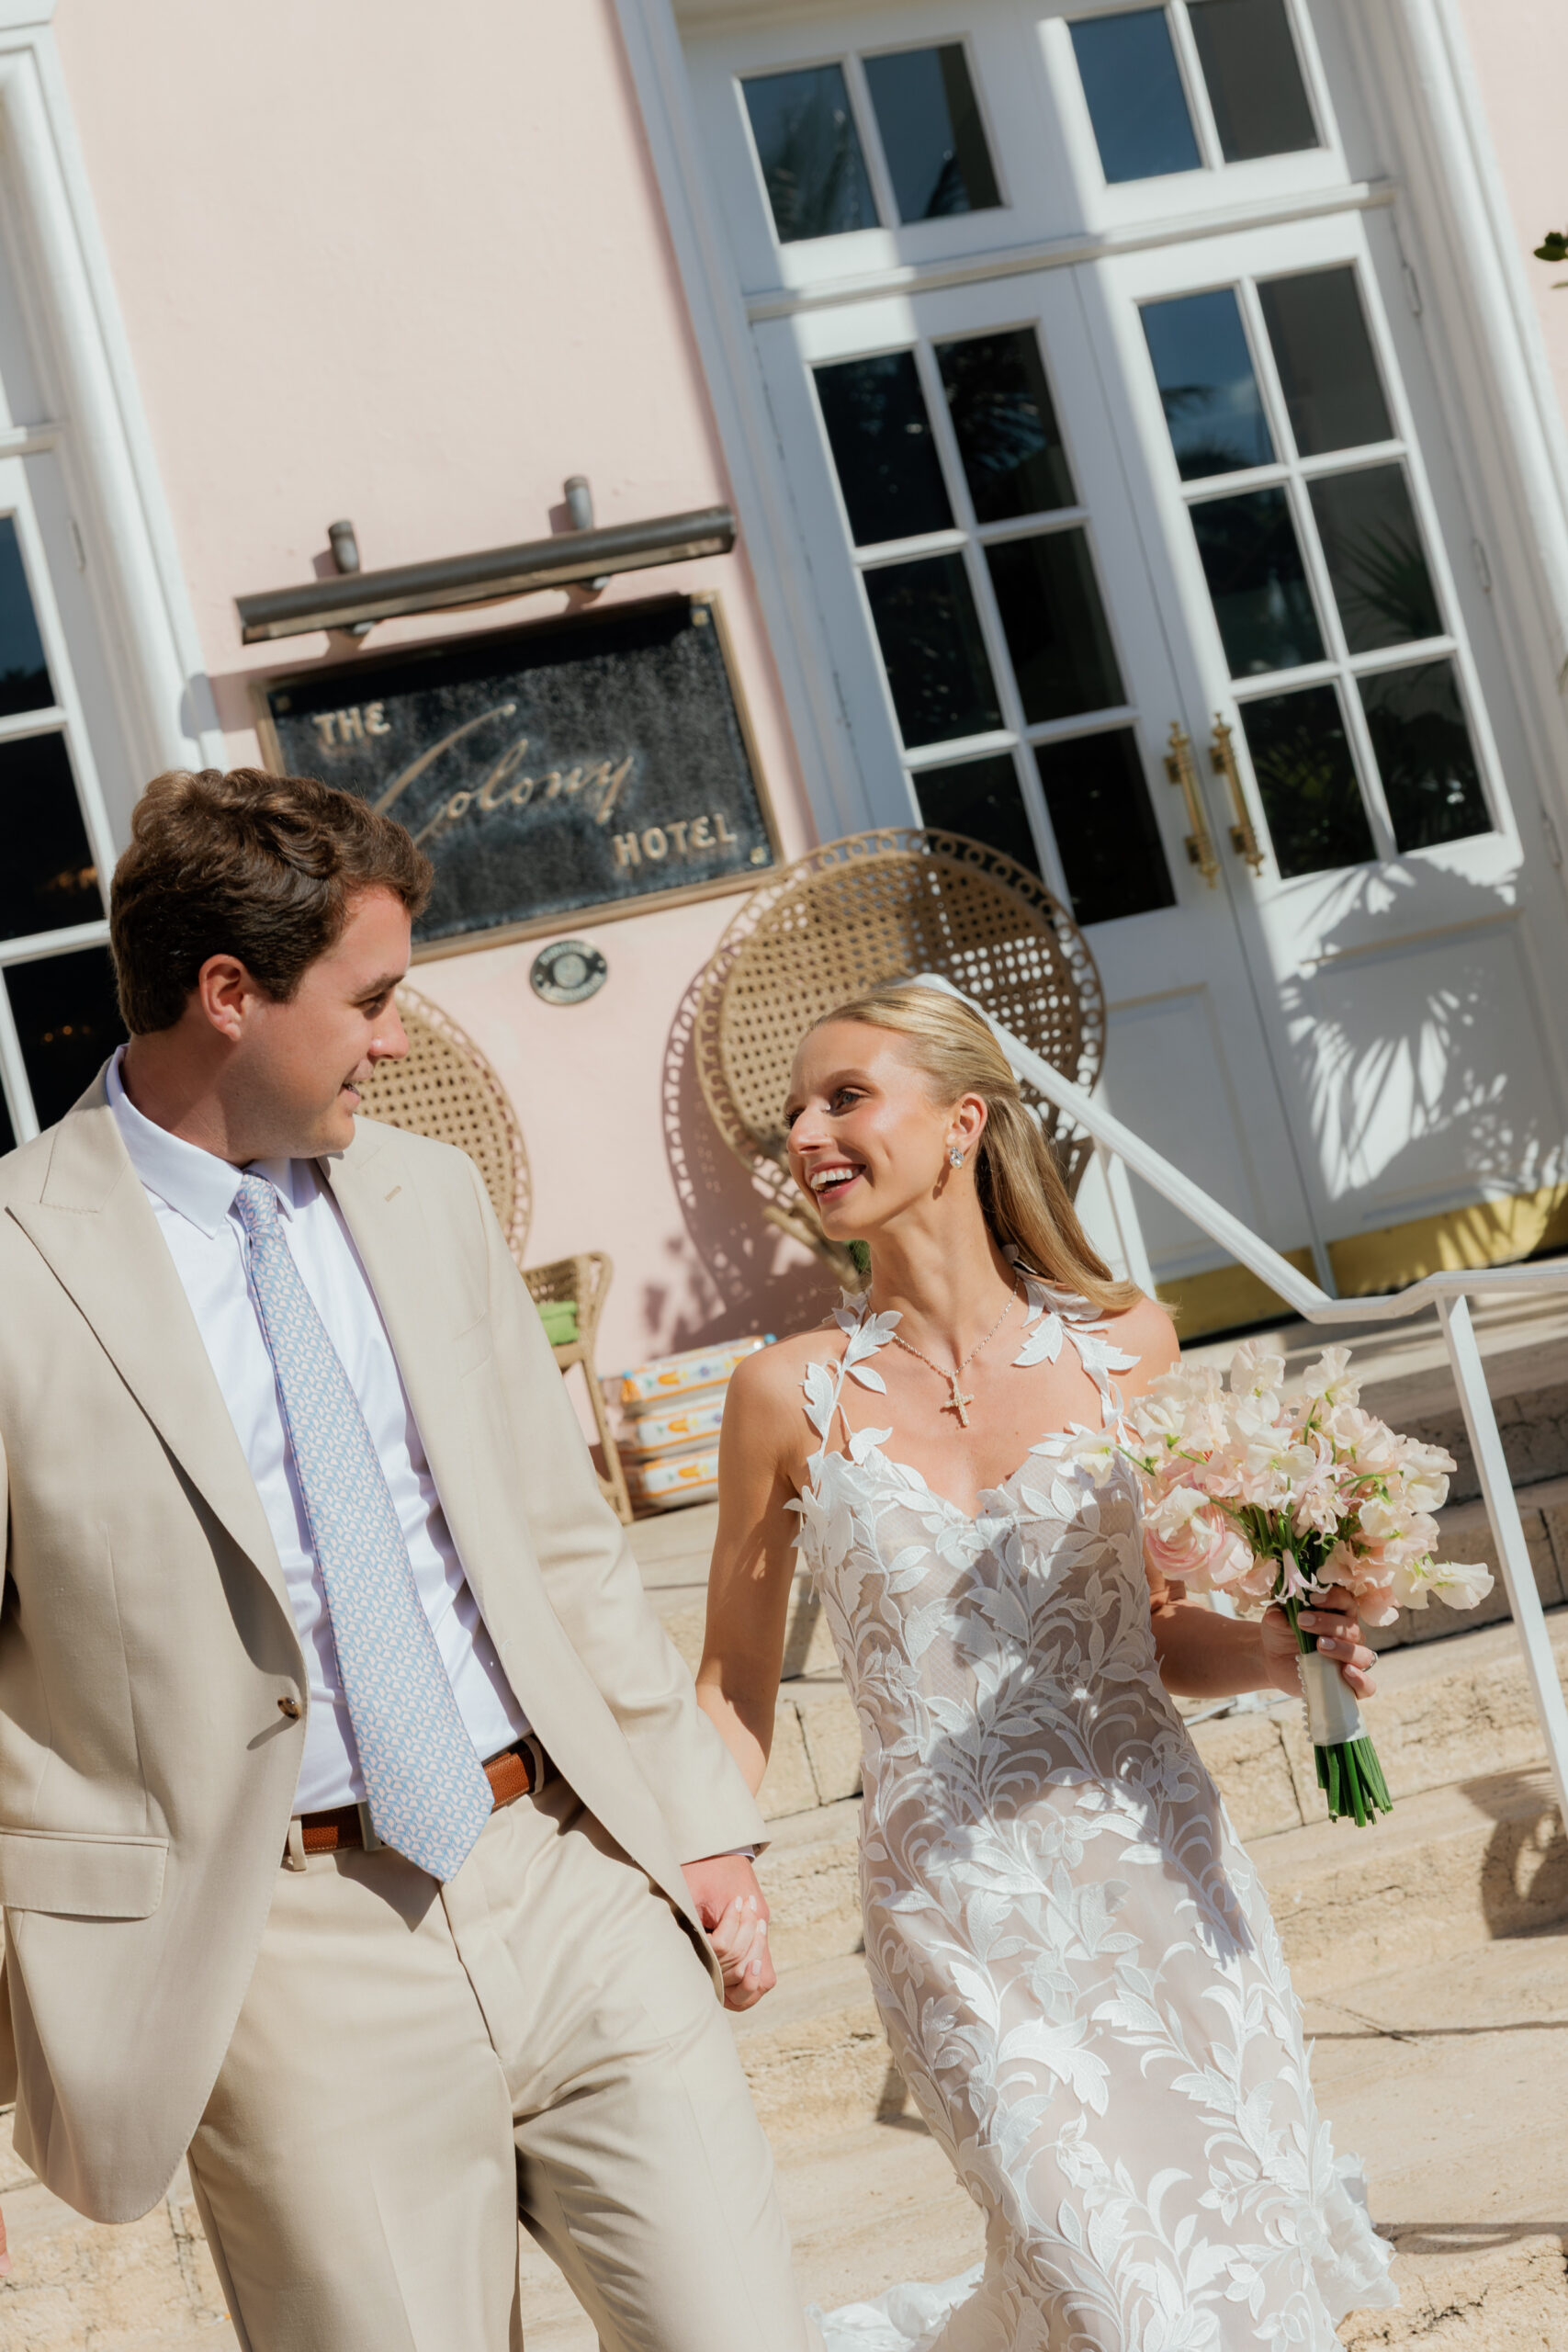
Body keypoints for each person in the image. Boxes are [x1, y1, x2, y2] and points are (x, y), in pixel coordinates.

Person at [0, 766, 802, 2352]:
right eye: (372, 997)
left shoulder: (424, 1196)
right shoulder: (15, 1269)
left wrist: (693, 1832)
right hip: (287, 1961)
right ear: (228, 994)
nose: (400, 1035)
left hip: (566, 1872)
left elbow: (561, 1546)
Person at [696, 985, 1399, 2351]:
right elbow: (732, 1685)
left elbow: (1149, 1636)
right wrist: (716, 1867)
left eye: (845, 1096)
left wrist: (1271, 1650)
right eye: (792, 1114)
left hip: (1161, 1879)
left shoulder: (1127, 1347)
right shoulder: (786, 1394)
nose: (807, 1133)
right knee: (1103, 2284)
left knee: (1229, 2272)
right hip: (955, 1911)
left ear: (963, 1120)